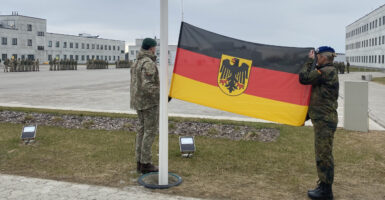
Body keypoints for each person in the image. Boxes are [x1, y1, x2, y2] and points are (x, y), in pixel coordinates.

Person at [299, 46, 339, 200]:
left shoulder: (327, 71)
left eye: (317, 56)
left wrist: (309, 62)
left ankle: (326, 191)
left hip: (325, 120)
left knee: (324, 155)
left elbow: (304, 78)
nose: (316, 58)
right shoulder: (327, 70)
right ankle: (323, 185)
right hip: (323, 119)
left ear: (324, 57)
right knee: (322, 153)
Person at [130, 38, 160, 174]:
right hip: (149, 103)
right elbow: (147, 86)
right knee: (149, 132)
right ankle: (146, 163)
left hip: (138, 102)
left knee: (142, 131)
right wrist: (163, 94)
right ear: (151, 48)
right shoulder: (148, 63)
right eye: (155, 47)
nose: (156, 49)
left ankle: (139, 162)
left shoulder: (136, 62)